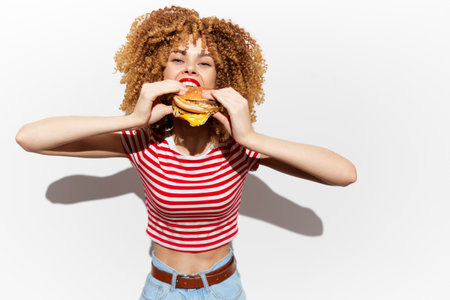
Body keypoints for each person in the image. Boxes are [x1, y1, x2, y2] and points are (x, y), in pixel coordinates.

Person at [15, 6, 357, 300]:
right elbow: (30, 138)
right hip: (162, 288)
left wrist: (250, 136)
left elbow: (344, 174)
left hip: (225, 287)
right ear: (159, 74)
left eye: (204, 63)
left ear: (220, 80)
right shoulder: (143, 142)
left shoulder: (240, 148)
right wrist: (132, 119)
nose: (190, 69)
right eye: (178, 59)